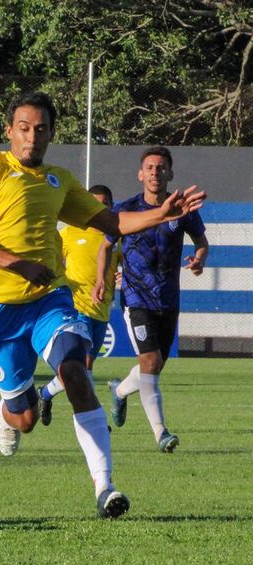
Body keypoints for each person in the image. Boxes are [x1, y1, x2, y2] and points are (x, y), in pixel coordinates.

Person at [0, 91, 205, 518]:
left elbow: (115, 222)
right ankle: (9, 408)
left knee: (76, 371)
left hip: (49, 300)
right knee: (26, 418)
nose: (32, 136)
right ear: (10, 131)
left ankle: (105, 487)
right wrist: (18, 264)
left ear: (52, 133)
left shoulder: (59, 180)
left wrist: (161, 214)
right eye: (24, 128)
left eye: (41, 129)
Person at [97, 146, 209, 453]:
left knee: (153, 368)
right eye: (149, 167)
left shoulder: (183, 209)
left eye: (161, 168)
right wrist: (100, 280)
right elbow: (106, 246)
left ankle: (119, 392)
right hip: (135, 299)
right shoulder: (126, 209)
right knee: (150, 361)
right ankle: (161, 433)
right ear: (140, 174)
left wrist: (198, 260)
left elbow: (201, 242)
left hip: (168, 300)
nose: (155, 172)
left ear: (170, 173)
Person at [37, 184, 121, 425]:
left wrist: (123, 277)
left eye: (104, 204)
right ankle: (95, 419)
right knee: (83, 365)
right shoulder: (70, 232)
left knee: (82, 368)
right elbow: (53, 260)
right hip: (75, 308)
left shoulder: (116, 238)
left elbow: (128, 266)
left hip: (102, 309)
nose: (99, 208)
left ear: (111, 206)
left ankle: (45, 393)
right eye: (94, 203)